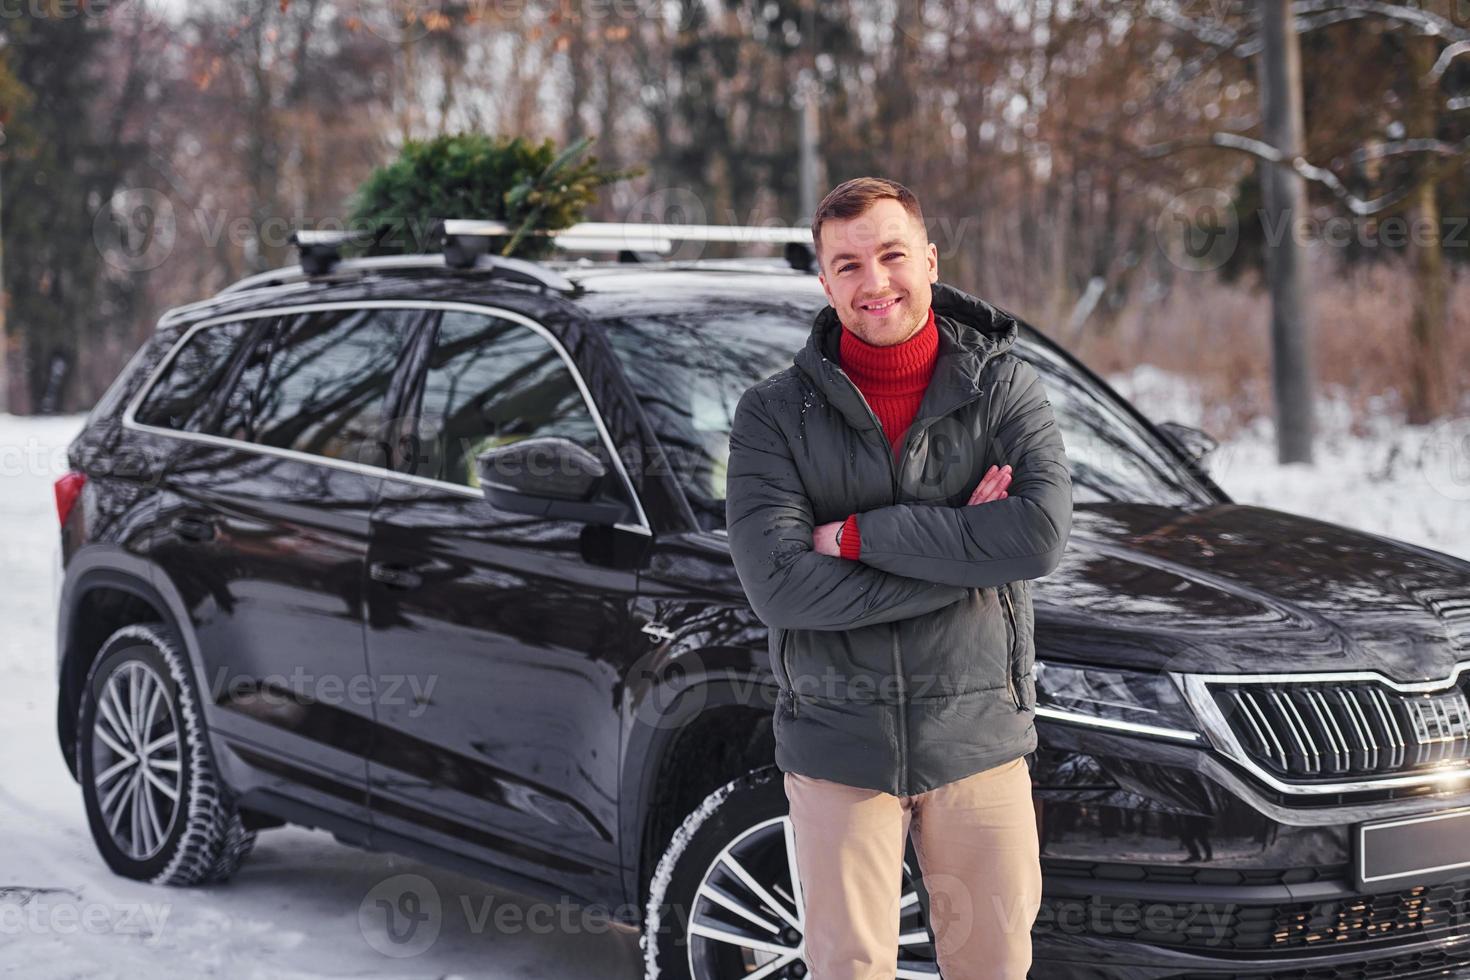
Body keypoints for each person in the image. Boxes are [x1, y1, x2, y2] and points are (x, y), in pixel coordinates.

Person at [725, 176, 1073, 979]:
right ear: (824, 281)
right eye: (848, 265)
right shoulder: (774, 415)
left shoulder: (1003, 387)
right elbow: (779, 589)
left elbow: (1039, 537)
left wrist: (852, 536)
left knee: (993, 968)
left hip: (978, 740)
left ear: (929, 259)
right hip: (840, 745)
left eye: (891, 255)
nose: (874, 282)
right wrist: (969, 551)